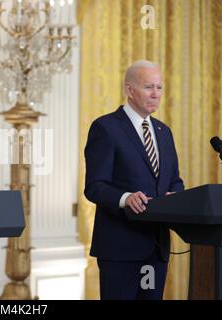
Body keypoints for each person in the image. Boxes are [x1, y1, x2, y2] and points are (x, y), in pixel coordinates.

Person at [84, 60, 184, 300]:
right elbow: (94, 187)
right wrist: (125, 198)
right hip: (120, 249)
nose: (156, 94)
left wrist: (176, 197)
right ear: (130, 90)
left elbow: (174, 181)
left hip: (156, 248)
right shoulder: (105, 128)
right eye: (149, 87)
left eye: (159, 88)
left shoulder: (164, 131)